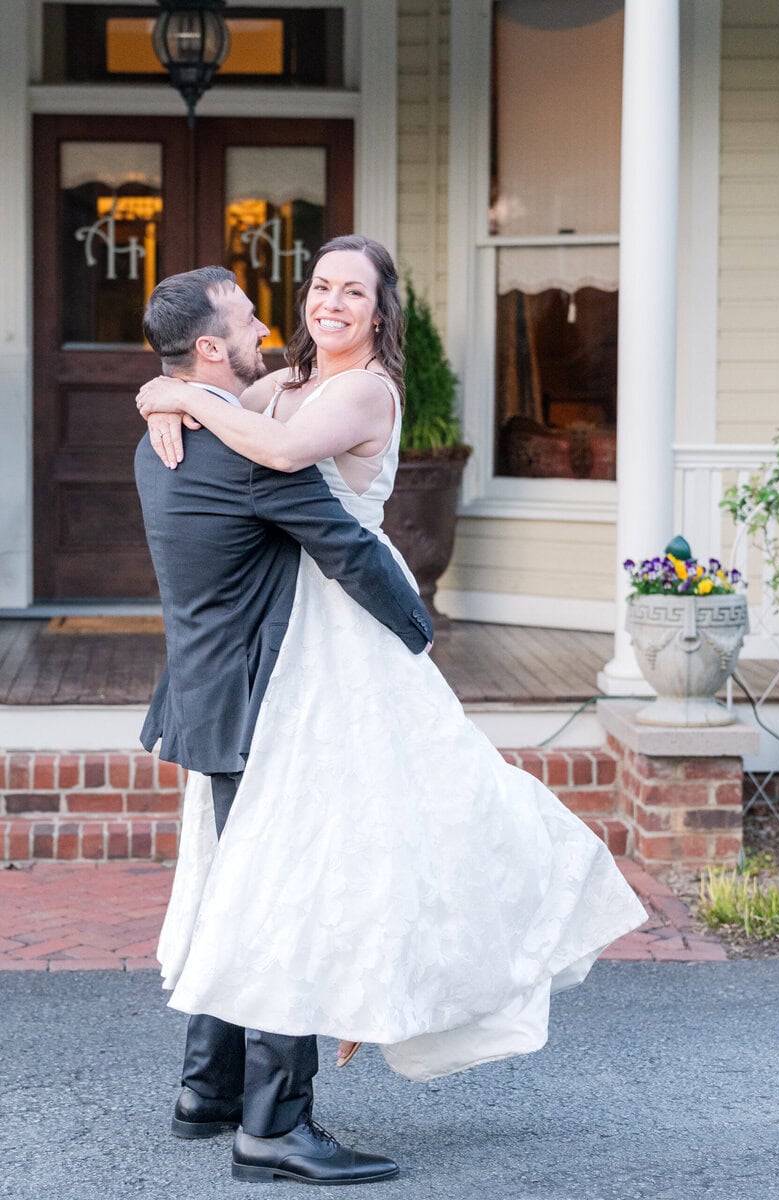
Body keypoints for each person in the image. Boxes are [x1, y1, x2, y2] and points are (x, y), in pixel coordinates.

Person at [138, 236, 647, 1159]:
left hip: (346, 636)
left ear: (380, 312)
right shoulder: (280, 379)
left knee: (350, 840)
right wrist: (167, 388)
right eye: (320, 286)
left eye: (352, 291)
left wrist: (178, 393)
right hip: (292, 647)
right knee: (286, 859)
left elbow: (279, 453)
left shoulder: (361, 389)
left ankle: (239, 1093)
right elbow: (223, 405)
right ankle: (237, 1102)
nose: (330, 302)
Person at [135, 263, 435, 1187]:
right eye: (250, 312)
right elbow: (346, 547)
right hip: (266, 697)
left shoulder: (167, 436)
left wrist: (164, 387)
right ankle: (273, 1126)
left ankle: (207, 1090)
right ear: (215, 346)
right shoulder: (250, 454)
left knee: (241, 883)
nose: (276, 318)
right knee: (288, 897)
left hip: (207, 690)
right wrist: (420, 640)